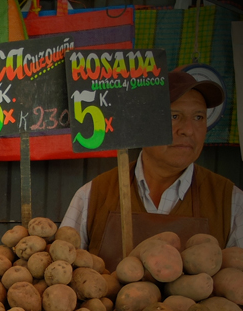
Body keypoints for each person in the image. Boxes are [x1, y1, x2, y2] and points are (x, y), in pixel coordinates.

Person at [61, 69, 243, 269]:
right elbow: (61, 268)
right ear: (141, 125)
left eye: (199, 117)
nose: (188, 130)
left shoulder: (232, 202)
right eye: (174, 116)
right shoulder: (91, 196)